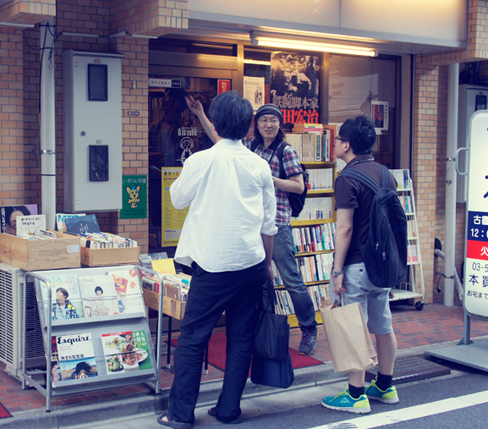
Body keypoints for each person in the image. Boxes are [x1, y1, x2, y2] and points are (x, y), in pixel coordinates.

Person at [157, 91, 277, 429]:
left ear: (218, 121)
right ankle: (228, 410)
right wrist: (267, 265)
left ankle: (180, 414)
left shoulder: (201, 160)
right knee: (241, 338)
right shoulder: (259, 165)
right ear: (248, 125)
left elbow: (177, 199)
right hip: (252, 264)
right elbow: (270, 224)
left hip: (213, 266)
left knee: (194, 337)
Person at [185, 97, 318, 356]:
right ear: (254, 124)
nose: (269, 124)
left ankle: (308, 326)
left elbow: (299, 186)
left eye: (274, 120)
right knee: (258, 281)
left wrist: (269, 179)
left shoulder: (285, 151)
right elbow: (220, 140)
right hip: (251, 224)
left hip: (277, 223)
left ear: (280, 125)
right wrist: (201, 114)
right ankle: (259, 326)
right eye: (264, 120)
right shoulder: (249, 145)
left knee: (290, 278)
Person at [321, 116, 399, 414]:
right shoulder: (385, 173)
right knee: (382, 324)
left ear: (347, 145)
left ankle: (355, 395)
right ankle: (384, 385)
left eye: (338, 139)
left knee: (355, 328)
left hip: (356, 265)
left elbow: (344, 229)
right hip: (382, 266)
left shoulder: (347, 178)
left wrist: (337, 269)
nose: (336, 143)